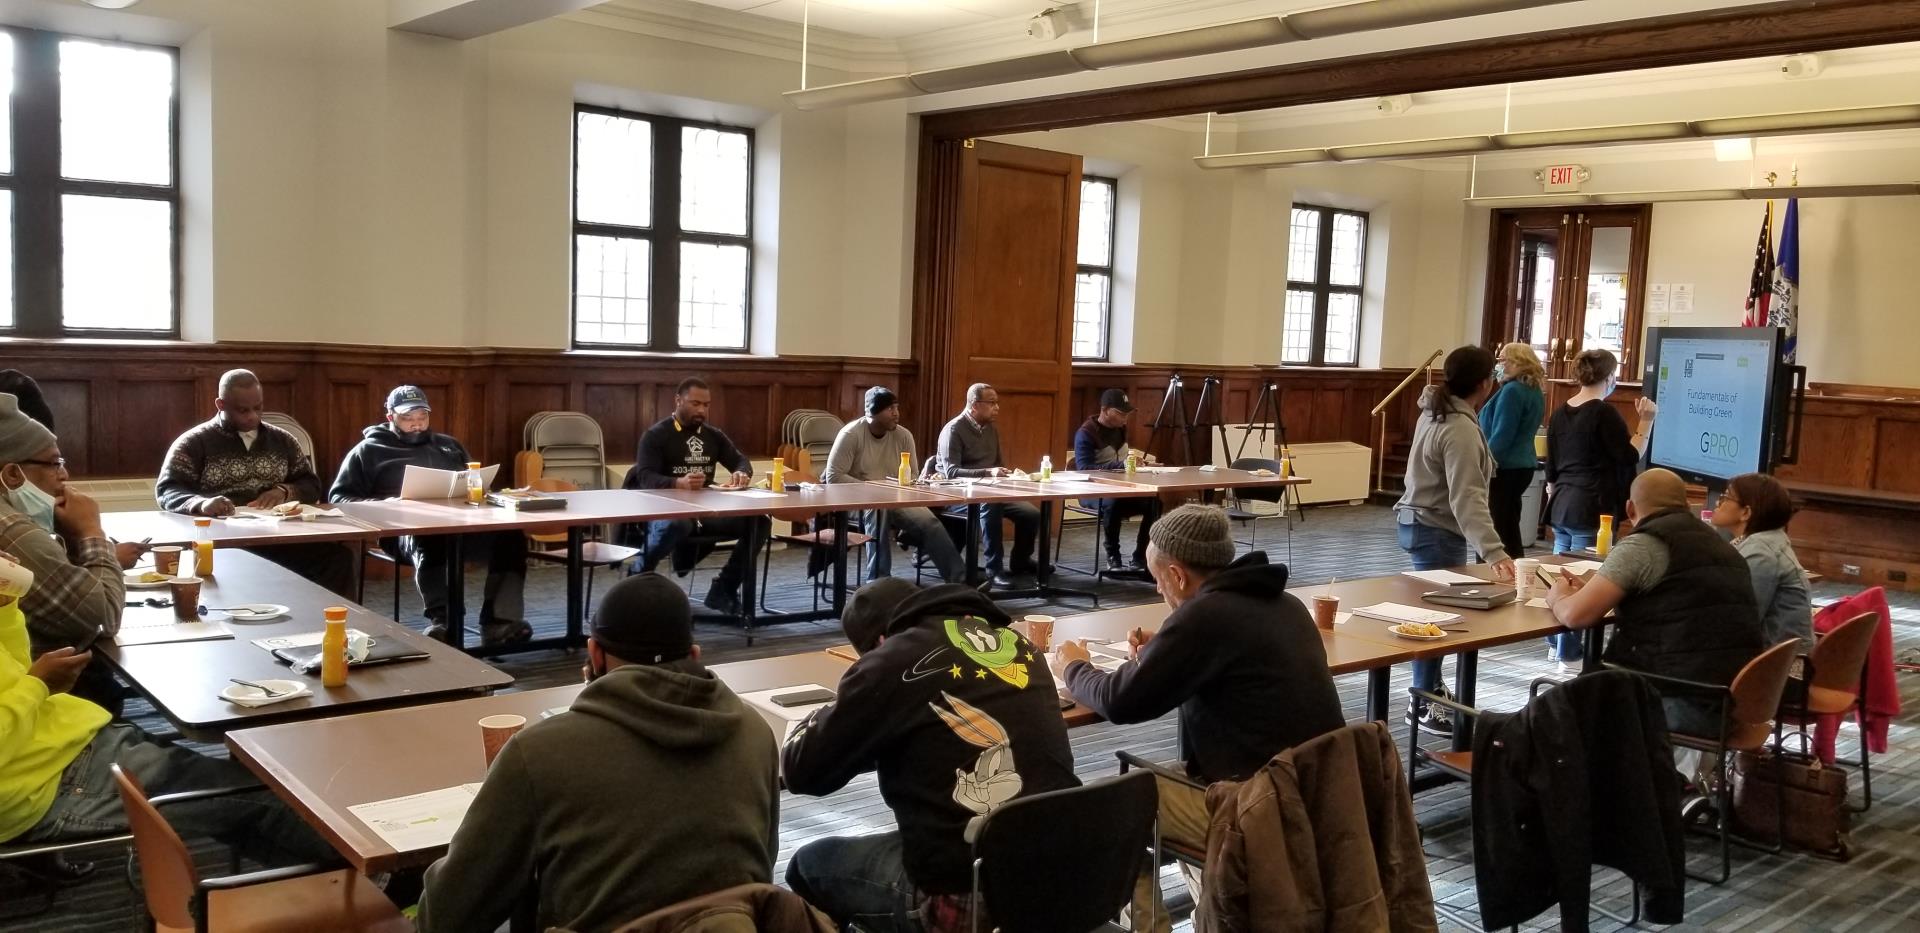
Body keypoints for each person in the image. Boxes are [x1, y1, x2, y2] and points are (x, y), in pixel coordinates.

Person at [417, 573, 778, 933]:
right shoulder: (756, 734)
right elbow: (762, 868)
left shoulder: (540, 752)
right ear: (695, 655)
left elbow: (447, 918)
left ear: (595, 654)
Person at [1050, 505, 1344, 932]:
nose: (1158, 589)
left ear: (1177, 575)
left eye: (1157, 579)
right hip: (1316, 797)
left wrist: (1073, 667)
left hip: (1256, 810)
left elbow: (1119, 701)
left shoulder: (1205, 618)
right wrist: (1167, 649)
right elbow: (1222, 655)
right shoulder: (1284, 603)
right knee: (1163, 788)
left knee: (1106, 810)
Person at [0, 550, 334, 871]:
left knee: (245, 807)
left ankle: (331, 890)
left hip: (58, 746)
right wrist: (38, 685)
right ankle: (360, 878)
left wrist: (4, 609)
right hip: (46, 783)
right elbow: (93, 618)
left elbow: (12, 671)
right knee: (269, 799)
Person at [784, 578, 1079, 933]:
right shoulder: (1015, 642)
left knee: (808, 866)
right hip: (1066, 870)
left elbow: (801, 770)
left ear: (879, 642)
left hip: (971, 891)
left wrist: (823, 714)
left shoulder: (891, 661)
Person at [1545, 468, 1763, 793]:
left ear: (1630, 509)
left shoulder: (1645, 544)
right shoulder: (1724, 548)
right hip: (1725, 700)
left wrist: (1558, 596)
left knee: (1556, 703)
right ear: (1685, 504)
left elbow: (1576, 616)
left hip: (1675, 699)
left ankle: (1581, 797)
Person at [329, 386, 531, 647]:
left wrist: (490, 493)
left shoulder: (449, 445)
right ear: (390, 417)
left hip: (461, 526)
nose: (416, 425)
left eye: (422, 417)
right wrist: (385, 505)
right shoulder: (368, 451)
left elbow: (473, 484)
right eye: (408, 418)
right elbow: (340, 499)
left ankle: (500, 623)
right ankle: (445, 622)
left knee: (511, 537)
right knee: (430, 537)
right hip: (402, 532)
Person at [1393, 346, 1515, 736]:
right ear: (1485, 383)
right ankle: (1424, 701)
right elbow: (1467, 498)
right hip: (1436, 530)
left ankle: (1429, 689)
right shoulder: (1458, 427)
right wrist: (1494, 551)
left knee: (1437, 613)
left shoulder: (1438, 409)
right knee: (1439, 617)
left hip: (1422, 523)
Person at [154, 370, 355, 596]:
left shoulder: (282, 440)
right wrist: (202, 504)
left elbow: (311, 484)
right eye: (242, 410)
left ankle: (331, 616)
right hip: (223, 541)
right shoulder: (194, 443)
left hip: (278, 537)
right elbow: (167, 490)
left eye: (258, 408)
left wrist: (284, 491)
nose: (252, 416)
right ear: (221, 404)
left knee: (337, 559)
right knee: (244, 570)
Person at [0, 393, 133, 714]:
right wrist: (91, 532)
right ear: (13, 474)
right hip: (44, 697)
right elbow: (102, 619)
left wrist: (73, 538)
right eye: (54, 463)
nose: (65, 475)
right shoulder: (12, 531)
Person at [1543, 348, 1656, 665]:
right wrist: (1646, 422)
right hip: (1592, 504)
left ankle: (1556, 641)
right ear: (1609, 377)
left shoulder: (1560, 412)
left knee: (1559, 576)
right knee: (1584, 579)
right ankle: (1568, 650)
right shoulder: (1603, 413)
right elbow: (1629, 456)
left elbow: (1551, 467)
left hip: (1561, 503)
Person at [622, 377, 767, 617]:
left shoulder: (713, 436)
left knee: (759, 521)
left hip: (704, 512)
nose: (702, 410)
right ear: (678, 400)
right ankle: (639, 572)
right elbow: (645, 477)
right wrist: (677, 483)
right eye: (695, 404)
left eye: (706, 405)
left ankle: (724, 588)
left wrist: (742, 473)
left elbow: (741, 461)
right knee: (678, 524)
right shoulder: (655, 435)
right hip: (663, 511)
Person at [822, 386, 965, 584]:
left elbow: (913, 476)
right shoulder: (851, 434)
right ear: (873, 412)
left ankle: (958, 578)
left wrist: (898, 490)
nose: (896, 413)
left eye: (897, 408)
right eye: (890, 409)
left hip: (896, 498)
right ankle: (879, 580)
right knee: (878, 511)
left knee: (930, 523)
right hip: (856, 500)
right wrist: (876, 490)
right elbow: (834, 477)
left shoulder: (904, 436)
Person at [934, 384, 1042, 588]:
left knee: (1031, 514)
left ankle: (1021, 561)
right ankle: (994, 570)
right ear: (975, 405)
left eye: (997, 403)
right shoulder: (953, 430)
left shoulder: (991, 429)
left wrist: (1008, 476)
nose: (997, 408)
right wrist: (987, 472)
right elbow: (951, 472)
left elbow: (997, 464)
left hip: (990, 491)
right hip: (957, 495)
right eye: (992, 403)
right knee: (990, 507)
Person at [1710, 473, 1812, 651]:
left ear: (1746, 512)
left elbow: (1741, 621)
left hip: (1779, 662)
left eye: (1725, 497)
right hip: (1773, 653)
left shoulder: (1760, 553)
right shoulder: (1766, 539)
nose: (1717, 503)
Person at [1072, 389, 1160, 573]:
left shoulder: (1120, 429)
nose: (1125, 418)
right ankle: (1113, 556)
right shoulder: (1086, 433)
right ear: (1105, 410)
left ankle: (1141, 556)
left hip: (1121, 488)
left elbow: (1121, 459)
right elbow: (1084, 469)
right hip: (1092, 491)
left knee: (1154, 503)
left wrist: (1139, 463)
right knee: (1113, 503)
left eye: (1127, 414)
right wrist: (1120, 465)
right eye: (1121, 413)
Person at [1480, 343, 1548, 560]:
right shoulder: (1533, 390)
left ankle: (1490, 569)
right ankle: (1517, 569)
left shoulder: (1512, 391)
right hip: (1522, 465)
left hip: (1504, 466)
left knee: (1494, 528)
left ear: (1519, 362)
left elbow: (1503, 434)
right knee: (1508, 525)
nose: (1499, 365)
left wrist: (1483, 463)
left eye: (1503, 360)